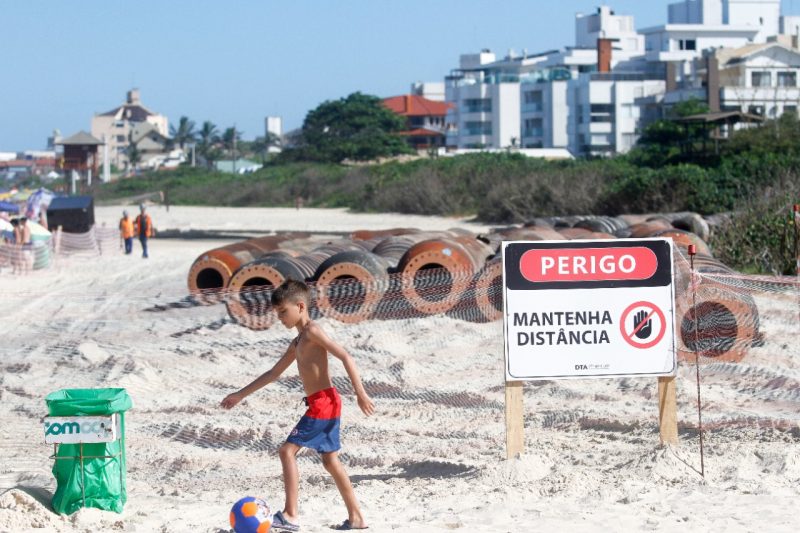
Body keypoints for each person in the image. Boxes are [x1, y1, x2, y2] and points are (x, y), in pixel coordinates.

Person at [221, 280, 374, 531]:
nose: (280, 318)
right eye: (277, 313)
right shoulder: (297, 341)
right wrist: (240, 394)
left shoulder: (313, 331)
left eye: (283, 311)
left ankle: (291, 515)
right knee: (330, 461)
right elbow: (273, 373)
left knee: (286, 452)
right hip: (324, 403)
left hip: (324, 403)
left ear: (300, 306)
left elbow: (345, 356)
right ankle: (356, 518)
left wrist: (360, 393)